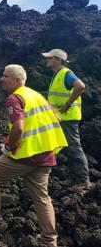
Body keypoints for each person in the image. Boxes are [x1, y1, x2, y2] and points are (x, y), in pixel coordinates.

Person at [0, 65, 68, 246]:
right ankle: (49, 241)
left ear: (17, 80)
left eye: (6, 76)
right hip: (45, 154)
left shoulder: (15, 98)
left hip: (27, 154)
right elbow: (56, 118)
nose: (2, 79)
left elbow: (19, 128)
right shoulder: (36, 95)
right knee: (42, 199)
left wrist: (9, 146)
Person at [42, 48, 90, 192]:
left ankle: (83, 181)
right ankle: (74, 177)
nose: (47, 60)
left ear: (57, 59)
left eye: (49, 58)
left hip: (68, 118)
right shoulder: (57, 75)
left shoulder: (66, 74)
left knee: (74, 147)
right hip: (60, 118)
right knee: (66, 148)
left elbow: (80, 86)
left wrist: (67, 104)